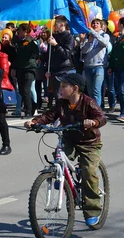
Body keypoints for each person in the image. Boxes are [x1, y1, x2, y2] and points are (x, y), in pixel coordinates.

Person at [24, 73, 107, 227]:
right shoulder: (62, 103)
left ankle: (92, 210)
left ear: (75, 88)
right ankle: (61, 178)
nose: (60, 89)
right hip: (69, 139)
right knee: (58, 158)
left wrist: (93, 122)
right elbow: (49, 115)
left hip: (89, 143)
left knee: (88, 171)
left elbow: (102, 117)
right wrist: (34, 122)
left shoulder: (88, 102)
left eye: (64, 86)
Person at [45, 16, 75, 107]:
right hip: (54, 69)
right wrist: (48, 69)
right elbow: (49, 55)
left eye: (56, 24)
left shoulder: (69, 37)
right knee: (56, 95)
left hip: (64, 69)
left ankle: (65, 115)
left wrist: (56, 45)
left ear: (62, 24)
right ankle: (61, 115)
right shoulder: (53, 36)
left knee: (62, 95)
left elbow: (66, 54)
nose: (54, 26)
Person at [81, 19, 110, 107]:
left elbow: (105, 43)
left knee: (96, 90)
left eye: (97, 23)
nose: (95, 25)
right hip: (88, 66)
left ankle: (97, 111)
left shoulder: (105, 35)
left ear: (101, 26)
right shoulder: (88, 36)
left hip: (99, 66)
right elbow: (84, 50)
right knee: (90, 91)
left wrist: (95, 35)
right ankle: (91, 108)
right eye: (93, 23)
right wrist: (89, 41)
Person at [15, 23, 39, 118]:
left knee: (26, 90)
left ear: (25, 31)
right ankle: (33, 105)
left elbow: (35, 54)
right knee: (20, 90)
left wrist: (29, 43)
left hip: (29, 68)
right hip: (20, 68)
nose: (18, 32)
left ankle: (28, 110)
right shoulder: (19, 42)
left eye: (20, 30)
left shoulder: (32, 42)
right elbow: (18, 56)